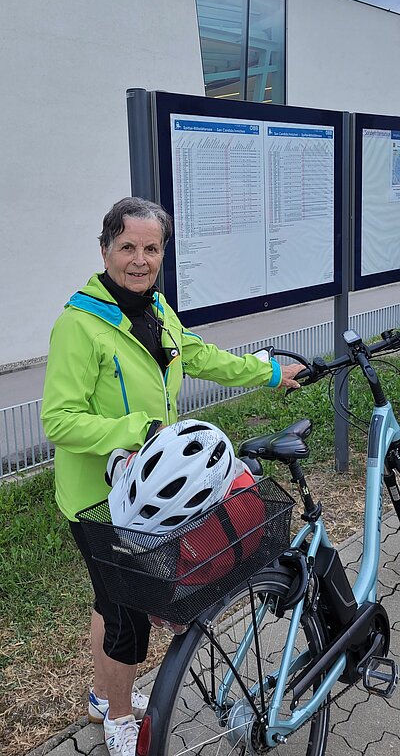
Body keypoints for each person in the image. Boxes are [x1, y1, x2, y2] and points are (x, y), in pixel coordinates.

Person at [41, 196, 304, 755]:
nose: (140, 259)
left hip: (153, 492)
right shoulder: (78, 325)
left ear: (163, 253)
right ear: (105, 249)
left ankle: (100, 695)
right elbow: (58, 421)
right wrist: (143, 430)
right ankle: (116, 716)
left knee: (112, 600)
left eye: (151, 248)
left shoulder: (154, 308)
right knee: (125, 611)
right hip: (101, 501)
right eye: (128, 247)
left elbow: (200, 355)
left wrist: (270, 370)